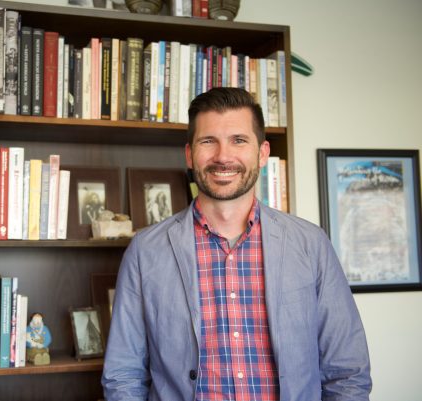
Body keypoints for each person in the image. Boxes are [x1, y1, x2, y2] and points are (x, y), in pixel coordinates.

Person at [102, 88, 371, 400]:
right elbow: (123, 375)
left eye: (238, 140)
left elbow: (347, 372)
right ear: (190, 154)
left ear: (262, 152)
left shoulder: (311, 244)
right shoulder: (146, 251)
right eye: (208, 141)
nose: (223, 157)